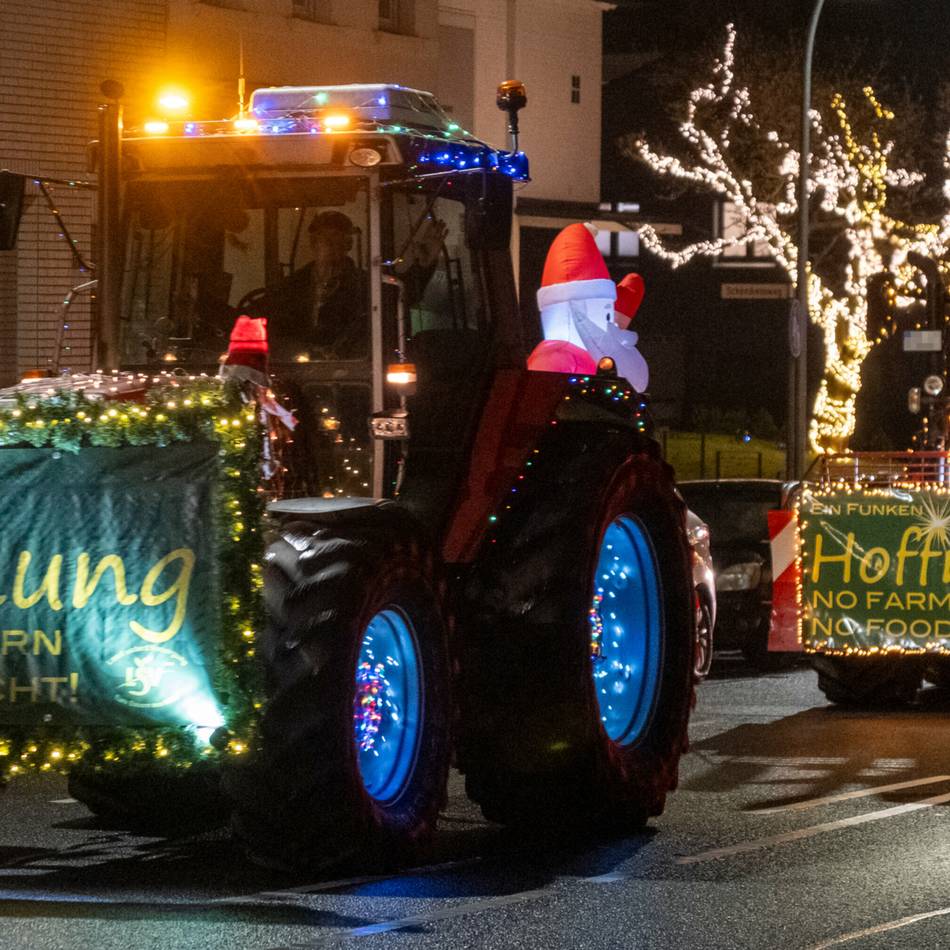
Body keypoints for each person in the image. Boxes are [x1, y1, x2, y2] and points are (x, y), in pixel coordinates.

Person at [256, 209, 368, 360]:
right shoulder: (291, 286)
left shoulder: (365, 286)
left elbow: (364, 331)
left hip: (349, 368)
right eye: (325, 239)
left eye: (337, 239)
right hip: (295, 367)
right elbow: (276, 325)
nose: (331, 245)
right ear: (313, 244)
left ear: (348, 244)